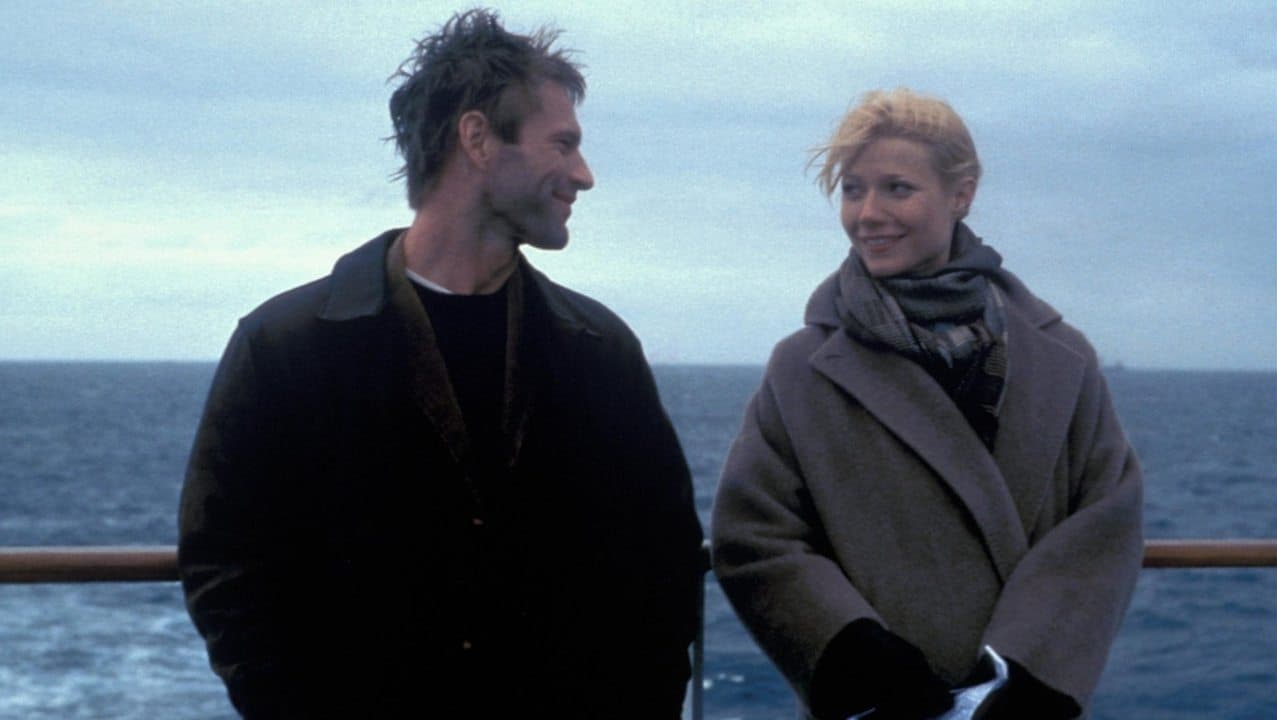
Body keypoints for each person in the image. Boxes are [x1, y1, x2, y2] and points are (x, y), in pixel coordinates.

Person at [178, 10, 703, 718]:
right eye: (563, 144)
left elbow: (663, 566)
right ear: (478, 138)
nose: (584, 175)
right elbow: (226, 564)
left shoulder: (600, 350)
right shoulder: (285, 348)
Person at [711, 88, 1143, 720]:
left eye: (897, 189)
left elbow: (1106, 518)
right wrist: (856, 657)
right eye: (853, 190)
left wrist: (1029, 677)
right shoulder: (802, 368)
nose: (868, 214)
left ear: (961, 194)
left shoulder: (1062, 357)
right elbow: (753, 532)